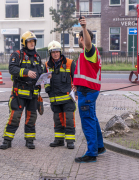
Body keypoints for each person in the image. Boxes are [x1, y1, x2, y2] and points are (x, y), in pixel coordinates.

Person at [0, 31, 43, 150]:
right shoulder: (17, 54)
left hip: (33, 94)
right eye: (29, 41)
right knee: (15, 116)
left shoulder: (37, 57)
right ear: (24, 43)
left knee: (31, 118)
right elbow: (12, 68)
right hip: (19, 93)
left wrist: (45, 76)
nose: (32, 43)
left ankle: (30, 141)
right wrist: (26, 72)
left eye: (33, 41)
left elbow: (40, 71)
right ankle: (7, 140)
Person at [73, 17, 106, 163]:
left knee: (87, 121)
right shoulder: (86, 55)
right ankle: (99, 147)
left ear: (82, 39)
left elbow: (87, 44)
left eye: (81, 38)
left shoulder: (89, 51)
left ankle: (91, 153)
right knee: (93, 119)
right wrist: (76, 85)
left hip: (87, 93)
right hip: (87, 91)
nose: (81, 41)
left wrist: (84, 28)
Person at [44, 40, 76, 149]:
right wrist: (48, 89)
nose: (55, 54)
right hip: (55, 99)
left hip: (68, 98)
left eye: (57, 51)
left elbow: (76, 79)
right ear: (50, 53)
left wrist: (76, 92)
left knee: (69, 120)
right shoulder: (47, 65)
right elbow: (45, 81)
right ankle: (59, 140)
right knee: (57, 120)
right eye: (53, 52)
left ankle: (70, 141)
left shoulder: (70, 63)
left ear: (60, 52)